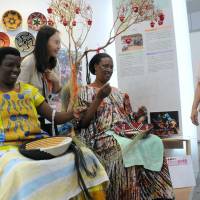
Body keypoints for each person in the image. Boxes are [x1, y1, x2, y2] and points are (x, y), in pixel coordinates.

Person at [0, 47, 108, 200]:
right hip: (7, 148)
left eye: (18, 65)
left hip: (39, 144)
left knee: (86, 155)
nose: (16, 70)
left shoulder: (29, 90)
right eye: (10, 65)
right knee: (20, 170)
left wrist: (73, 113)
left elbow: (54, 117)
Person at [75, 53, 174, 200]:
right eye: (105, 66)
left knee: (154, 141)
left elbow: (129, 119)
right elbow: (82, 123)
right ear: (95, 67)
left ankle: (155, 195)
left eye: (111, 67)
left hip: (124, 132)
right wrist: (99, 98)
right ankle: (127, 195)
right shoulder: (84, 91)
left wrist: (140, 115)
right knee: (124, 147)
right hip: (101, 135)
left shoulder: (119, 93)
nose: (109, 69)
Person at [17, 25, 61, 101]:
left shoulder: (55, 62)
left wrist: (56, 81)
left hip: (47, 109)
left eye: (59, 43)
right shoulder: (29, 62)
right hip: (31, 109)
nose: (59, 46)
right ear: (44, 42)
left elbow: (55, 93)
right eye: (56, 42)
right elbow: (19, 91)